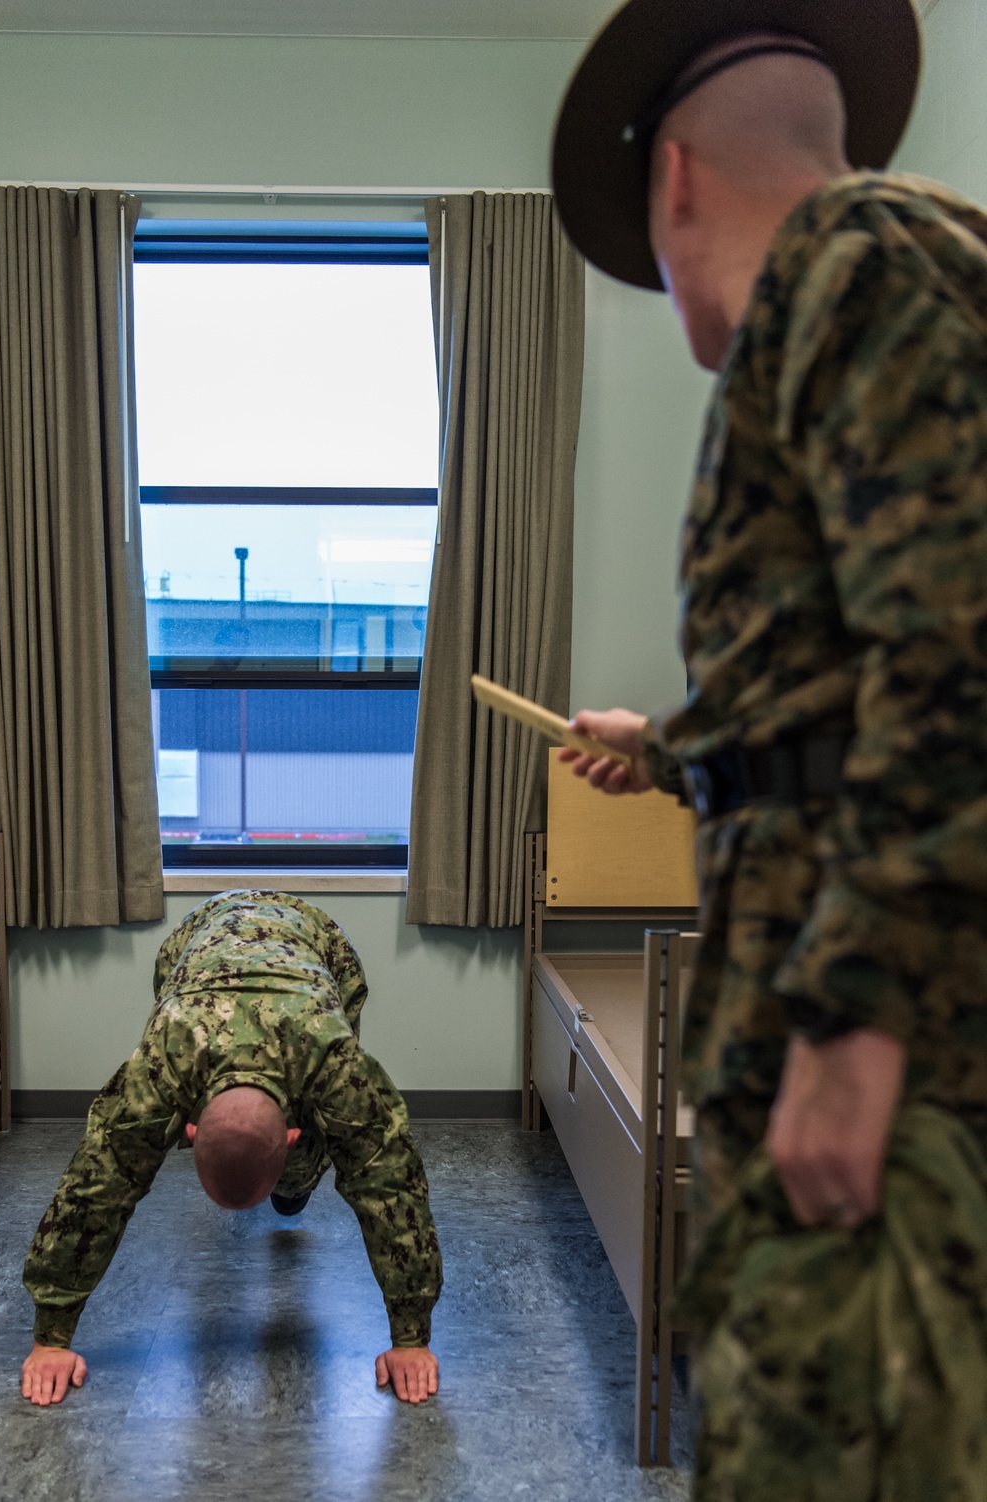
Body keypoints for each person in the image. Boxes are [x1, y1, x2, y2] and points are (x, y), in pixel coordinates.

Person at [551, 0, 987, 1492]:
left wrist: (853, 1025)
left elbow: (958, 655)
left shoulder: (859, 267)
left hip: (891, 1051)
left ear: (674, 179)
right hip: (821, 1026)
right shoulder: (858, 293)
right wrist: (676, 744)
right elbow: (848, 670)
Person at [20, 890, 442, 1409]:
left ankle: (294, 1185)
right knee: (123, 1153)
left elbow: (391, 1186)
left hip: (318, 942)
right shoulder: (164, 1061)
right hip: (200, 939)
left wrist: (411, 1338)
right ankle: (286, 1182)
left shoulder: (334, 1062)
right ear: (188, 1129)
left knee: (327, 1145)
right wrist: (50, 1338)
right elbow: (94, 1191)